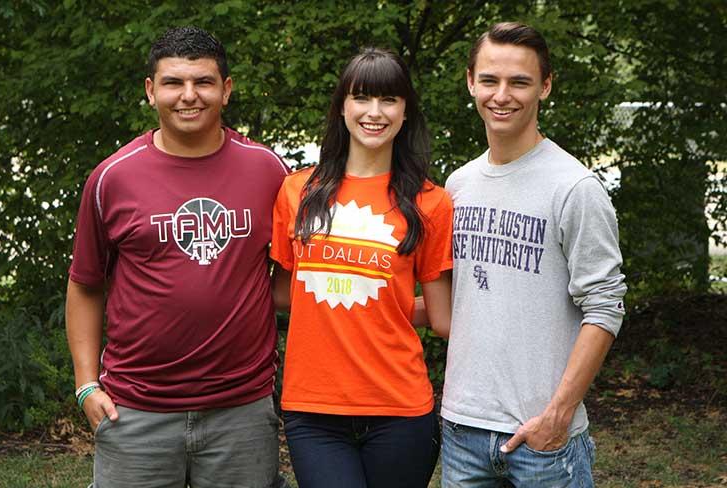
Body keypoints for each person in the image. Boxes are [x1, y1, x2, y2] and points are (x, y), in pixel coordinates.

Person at [65, 26, 289, 488]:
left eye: (203, 82)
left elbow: (294, 274)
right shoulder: (112, 178)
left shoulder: (268, 171)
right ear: (151, 91)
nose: (189, 96)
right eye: (173, 83)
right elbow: (85, 284)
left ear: (226, 90)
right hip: (134, 411)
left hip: (241, 411)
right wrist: (86, 384)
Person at [441, 22, 627, 487]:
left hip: (544, 442)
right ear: (470, 82)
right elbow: (461, 300)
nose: (502, 95)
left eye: (519, 82)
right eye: (490, 80)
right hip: (462, 432)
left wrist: (557, 415)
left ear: (545, 86)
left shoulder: (574, 188)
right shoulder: (457, 185)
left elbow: (605, 308)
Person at [270, 47, 453, 488]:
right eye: (362, 98)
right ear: (342, 109)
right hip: (313, 409)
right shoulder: (297, 191)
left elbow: (443, 318)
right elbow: (282, 294)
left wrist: (379, 306)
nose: (375, 112)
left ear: (406, 111)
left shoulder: (431, 203)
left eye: (389, 99)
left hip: (400, 408)